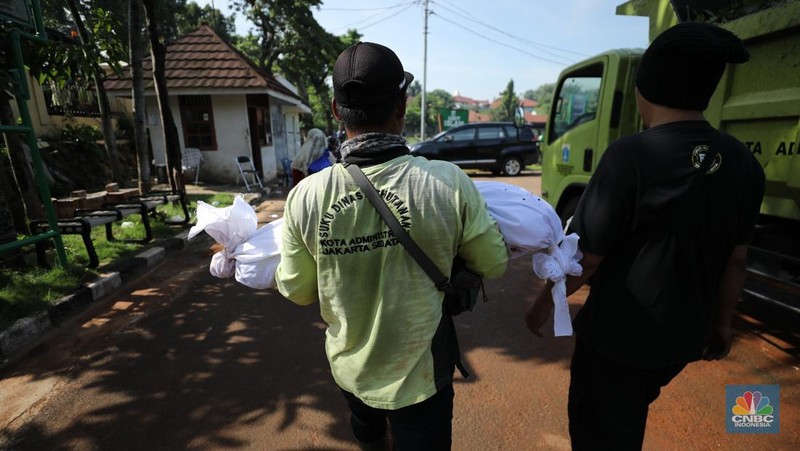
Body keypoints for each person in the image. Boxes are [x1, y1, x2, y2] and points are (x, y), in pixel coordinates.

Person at [524, 22, 764, 450]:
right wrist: (722, 324)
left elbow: (586, 257)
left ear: (643, 86)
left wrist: (543, 304)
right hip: (682, 338)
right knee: (630, 412)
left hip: (620, 342)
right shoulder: (744, 161)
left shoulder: (629, 156)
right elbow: (737, 259)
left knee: (602, 430)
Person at [275, 42, 508, 450]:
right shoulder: (448, 182)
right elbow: (494, 264)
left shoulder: (305, 197)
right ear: (402, 105)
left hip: (352, 370)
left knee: (369, 435)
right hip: (421, 377)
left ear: (335, 110)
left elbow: (297, 291)